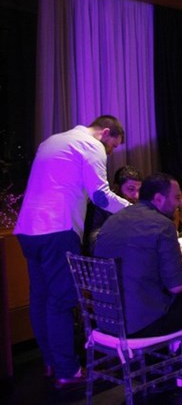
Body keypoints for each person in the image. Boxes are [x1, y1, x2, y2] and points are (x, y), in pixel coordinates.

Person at [13, 115, 131, 386]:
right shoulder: (91, 145)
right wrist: (134, 210)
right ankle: (67, 371)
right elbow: (100, 195)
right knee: (61, 301)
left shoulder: (51, 141)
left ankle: (51, 362)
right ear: (105, 133)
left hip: (28, 229)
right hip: (57, 229)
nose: (110, 152)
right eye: (112, 146)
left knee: (41, 298)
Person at [95, 173, 182, 381]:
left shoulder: (113, 221)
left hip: (106, 319)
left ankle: (163, 361)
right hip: (140, 325)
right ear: (159, 199)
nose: (180, 203)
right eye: (176, 197)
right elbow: (177, 287)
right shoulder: (162, 225)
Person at [84, 165, 143, 254]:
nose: (136, 196)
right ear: (116, 187)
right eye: (131, 189)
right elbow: (94, 244)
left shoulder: (138, 205)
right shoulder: (100, 206)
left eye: (139, 190)